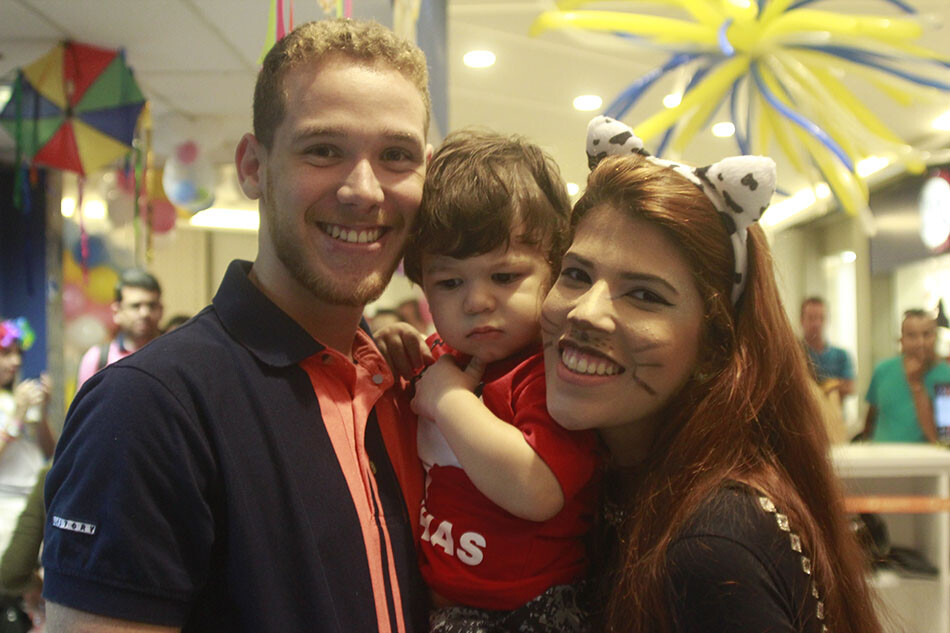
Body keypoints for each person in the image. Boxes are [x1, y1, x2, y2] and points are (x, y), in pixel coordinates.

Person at [43, 18, 433, 633]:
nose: (364, 190)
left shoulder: (411, 391)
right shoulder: (146, 408)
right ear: (253, 166)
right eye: (323, 149)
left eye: (396, 156)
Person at [539, 116, 881, 632]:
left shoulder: (713, 545)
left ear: (716, 345)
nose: (586, 312)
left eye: (644, 295)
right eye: (576, 274)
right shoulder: (613, 486)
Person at [389, 130, 600, 632]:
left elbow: (538, 490)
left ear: (555, 270)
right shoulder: (445, 357)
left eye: (504, 277)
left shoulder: (550, 372)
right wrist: (396, 343)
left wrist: (449, 400)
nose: (477, 302)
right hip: (443, 603)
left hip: (532, 612)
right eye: (449, 282)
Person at [0, 318, 54, 632]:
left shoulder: (18, 396)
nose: (16, 361)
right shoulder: (16, 403)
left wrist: (43, 412)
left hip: (35, 504)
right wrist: (18, 415)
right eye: (5, 353)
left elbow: (50, 453)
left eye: (18, 353)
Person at [864, 309, 950, 443]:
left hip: (926, 455)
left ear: (936, 337)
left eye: (926, 334)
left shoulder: (946, 376)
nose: (920, 342)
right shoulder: (882, 370)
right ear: (902, 340)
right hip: (881, 453)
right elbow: (871, 418)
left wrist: (916, 384)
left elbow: (943, 438)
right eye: (912, 335)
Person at [75, 268, 163, 389]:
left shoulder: (172, 356)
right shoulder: (97, 359)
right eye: (135, 306)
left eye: (151, 305)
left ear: (161, 310)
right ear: (116, 312)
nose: (144, 313)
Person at [800, 296, 855, 398]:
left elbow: (850, 388)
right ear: (801, 320)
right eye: (811, 318)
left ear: (828, 320)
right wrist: (834, 385)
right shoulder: (793, 354)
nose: (816, 324)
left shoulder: (841, 355)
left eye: (821, 318)